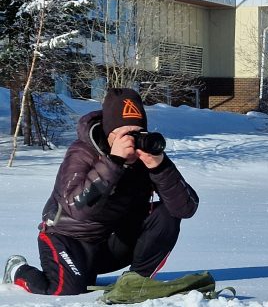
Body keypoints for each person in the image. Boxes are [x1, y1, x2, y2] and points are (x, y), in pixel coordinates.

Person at [2, 88, 199, 295]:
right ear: (109, 133)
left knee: (168, 214)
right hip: (69, 239)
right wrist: (113, 162)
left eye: (138, 132)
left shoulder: (146, 157)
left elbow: (185, 208)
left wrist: (160, 167)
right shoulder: (82, 152)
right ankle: (17, 270)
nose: (133, 140)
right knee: (64, 290)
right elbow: (77, 207)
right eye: (126, 134)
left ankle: (136, 281)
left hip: (110, 243)